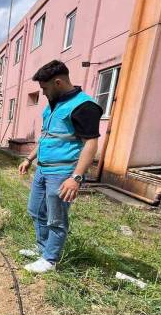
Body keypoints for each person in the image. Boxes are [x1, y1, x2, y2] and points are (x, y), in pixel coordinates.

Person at [18, 60, 102, 273]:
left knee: (56, 218)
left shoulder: (84, 106)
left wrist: (76, 178)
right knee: (35, 210)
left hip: (62, 173)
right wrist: (29, 159)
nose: (43, 93)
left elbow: (91, 144)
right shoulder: (53, 104)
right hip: (43, 169)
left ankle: (50, 259)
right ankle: (43, 249)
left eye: (45, 88)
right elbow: (46, 136)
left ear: (57, 82)